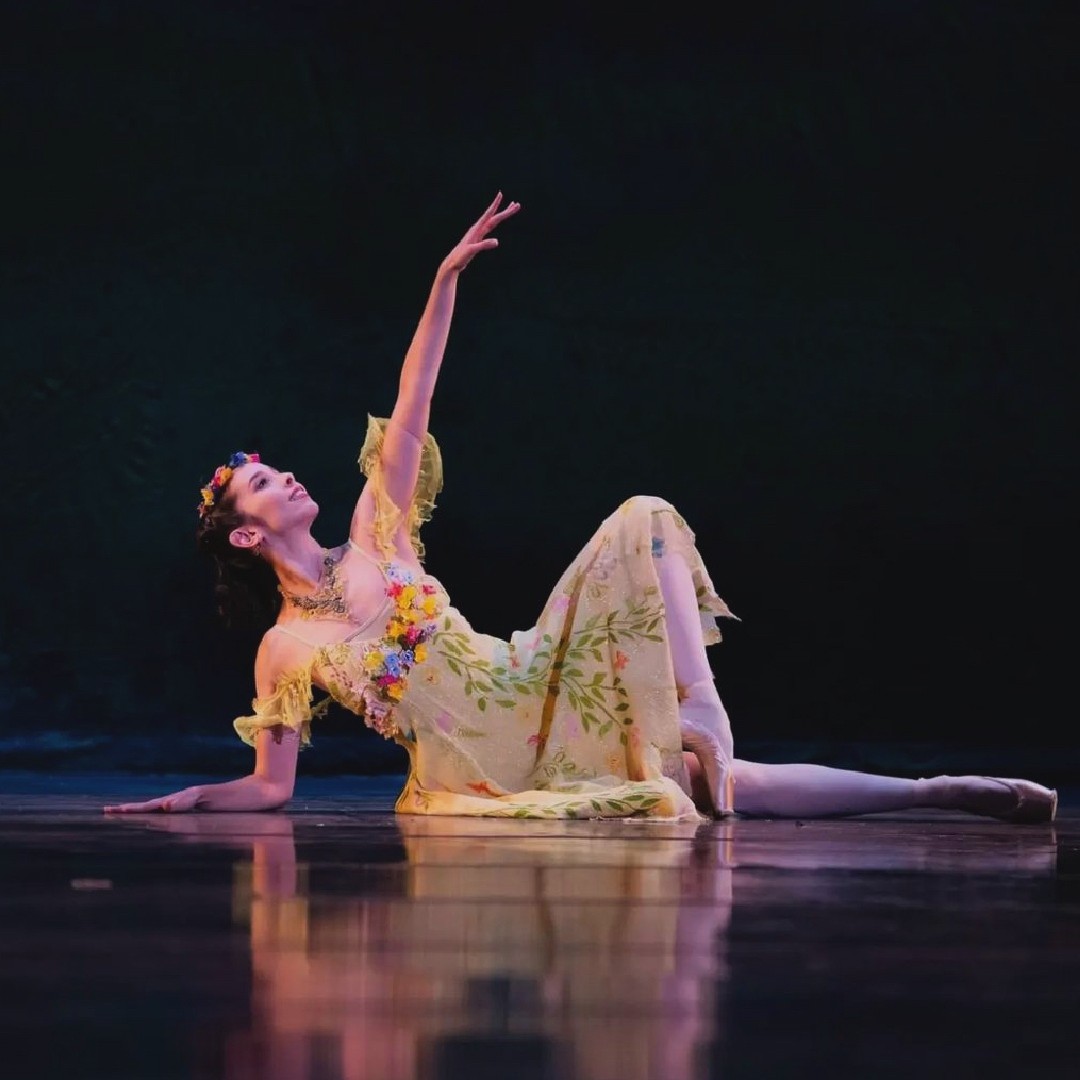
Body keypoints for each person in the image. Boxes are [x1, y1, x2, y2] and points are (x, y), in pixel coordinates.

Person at [104, 194, 1057, 824]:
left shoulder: (374, 534)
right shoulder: (283, 649)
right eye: (265, 485)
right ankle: (935, 790)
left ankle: (902, 779)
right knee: (694, 795)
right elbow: (272, 790)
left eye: (279, 471)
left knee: (645, 524)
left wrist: (442, 285)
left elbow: (413, 399)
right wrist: (190, 802)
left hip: (533, 687)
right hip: (480, 773)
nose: (289, 480)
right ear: (245, 530)